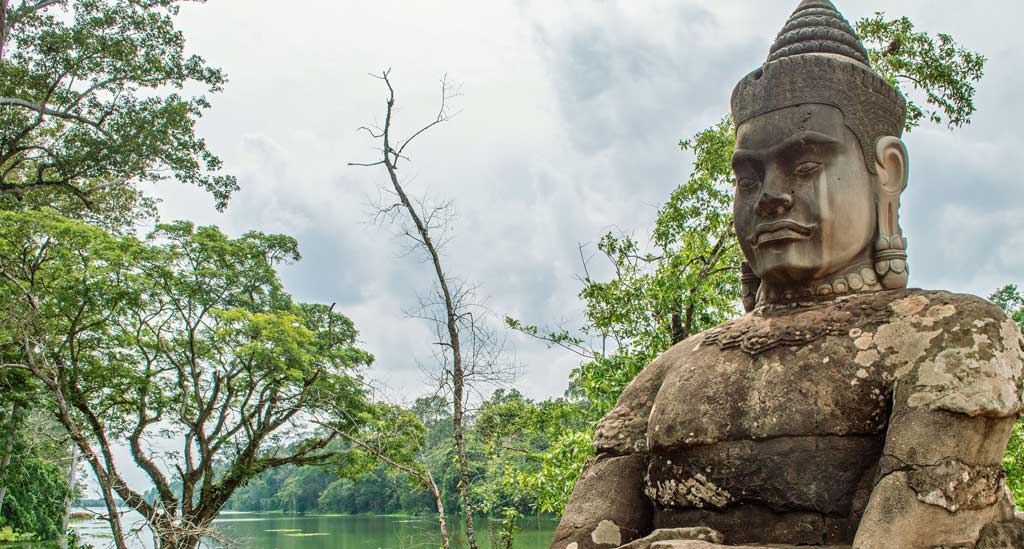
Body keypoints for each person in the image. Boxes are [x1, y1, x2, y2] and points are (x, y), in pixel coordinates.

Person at [550, 1, 1024, 548]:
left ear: (886, 171)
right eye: (749, 178)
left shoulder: (953, 339)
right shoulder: (671, 370)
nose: (772, 197)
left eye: (804, 167)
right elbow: (580, 539)